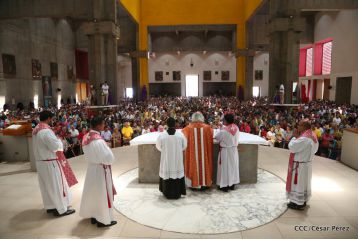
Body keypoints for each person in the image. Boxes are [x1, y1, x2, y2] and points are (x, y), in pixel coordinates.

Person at [32, 110, 75, 216]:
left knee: (47, 186)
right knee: (56, 185)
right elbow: (55, 146)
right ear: (48, 119)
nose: (52, 121)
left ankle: (50, 206)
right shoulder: (46, 131)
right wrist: (59, 140)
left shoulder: (36, 129)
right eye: (51, 119)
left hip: (41, 162)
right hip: (49, 162)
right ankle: (61, 209)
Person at [80, 116, 117, 227]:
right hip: (101, 170)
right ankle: (103, 219)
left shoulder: (86, 136)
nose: (104, 126)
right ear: (98, 125)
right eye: (103, 124)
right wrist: (108, 148)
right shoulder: (98, 140)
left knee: (93, 193)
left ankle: (94, 215)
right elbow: (109, 158)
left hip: (91, 168)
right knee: (102, 193)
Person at [286, 121, 318, 210]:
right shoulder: (312, 134)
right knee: (304, 184)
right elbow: (315, 150)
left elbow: (292, 147)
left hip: (300, 166)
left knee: (298, 184)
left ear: (304, 126)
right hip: (307, 164)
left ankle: (298, 203)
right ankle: (302, 201)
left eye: (299, 125)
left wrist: (295, 137)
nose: (298, 126)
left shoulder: (304, 138)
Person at [156, 117, 187, 199]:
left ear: (167, 124)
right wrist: (178, 150)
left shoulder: (162, 135)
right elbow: (185, 146)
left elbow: (158, 146)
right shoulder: (180, 135)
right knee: (177, 174)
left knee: (167, 173)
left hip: (166, 159)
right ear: (175, 124)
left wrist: (165, 151)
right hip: (177, 159)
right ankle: (177, 192)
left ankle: (167, 192)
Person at [182, 112, 213, 189]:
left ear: (193, 118)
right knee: (204, 163)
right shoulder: (208, 128)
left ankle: (194, 184)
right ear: (202, 118)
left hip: (193, 155)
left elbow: (183, 138)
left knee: (193, 163)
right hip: (204, 155)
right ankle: (205, 183)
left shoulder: (187, 129)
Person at [215, 113, 240, 192]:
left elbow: (217, 137)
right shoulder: (236, 128)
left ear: (226, 120)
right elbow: (229, 131)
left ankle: (224, 185)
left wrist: (221, 129)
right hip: (234, 151)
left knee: (225, 168)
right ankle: (232, 184)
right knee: (233, 168)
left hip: (225, 152)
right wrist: (222, 127)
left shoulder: (223, 131)